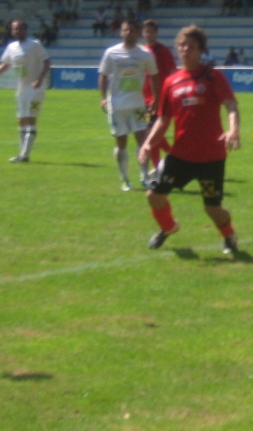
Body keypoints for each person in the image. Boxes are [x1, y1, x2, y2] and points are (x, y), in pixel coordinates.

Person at [139, 25, 242, 254]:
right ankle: (168, 227)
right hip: (180, 155)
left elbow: (231, 105)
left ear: (201, 50)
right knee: (154, 196)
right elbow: (163, 119)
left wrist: (233, 130)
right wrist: (148, 143)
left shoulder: (213, 76)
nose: (185, 49)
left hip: (211, 157)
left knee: (212, 208)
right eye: (182, 45)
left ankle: (229, 236)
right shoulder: (171, 82)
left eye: (191, 46)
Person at [98, 19, 161, 191]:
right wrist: (103, 98)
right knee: (121, 142)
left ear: (138, 33)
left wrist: (156, 98)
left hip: (139, 105)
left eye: (132, 30)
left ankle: (144, 176)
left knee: (143, 140)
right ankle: (124, 178)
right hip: (116, 106)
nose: (128, 33)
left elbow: (154, 76)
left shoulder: (145, 54)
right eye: (125, 30)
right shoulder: (111, 53)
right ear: (121, 32)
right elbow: (103, 75)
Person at [0, 19, 51, 163]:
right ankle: (22, 154)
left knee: (31, 118)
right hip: (22, 89)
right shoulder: (11, 47)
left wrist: (40, 78)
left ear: (25, 30)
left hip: (36, 89)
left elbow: (47, 61)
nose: (16, 31)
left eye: (19, 28)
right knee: (21, 120)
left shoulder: (35, 45)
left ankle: (24, 155)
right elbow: (5, 65)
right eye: (14, 29)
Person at [140, 18, 177, 181]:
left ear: (156, 33)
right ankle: (168, 161)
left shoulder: (163, 51)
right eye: (146, 31)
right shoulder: (141, 51)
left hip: (160, 99)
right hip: (143, 100)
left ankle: (163, 163)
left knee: (151, 133)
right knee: (148, 133)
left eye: (151, 31)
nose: (148, 34)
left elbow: (173, 72)